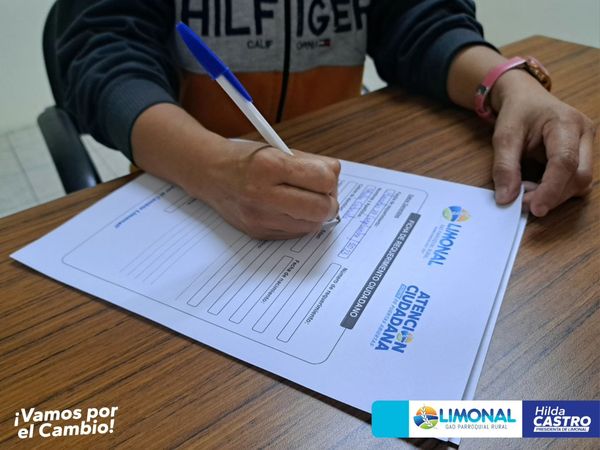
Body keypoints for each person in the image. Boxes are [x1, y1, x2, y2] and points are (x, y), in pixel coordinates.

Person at [54, 0, 594, 239]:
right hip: (183, 187)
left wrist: (506, 83)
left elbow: (418, 18)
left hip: (346, 169)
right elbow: (104, 58)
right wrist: (212, 167)